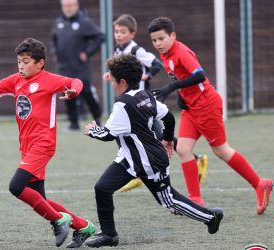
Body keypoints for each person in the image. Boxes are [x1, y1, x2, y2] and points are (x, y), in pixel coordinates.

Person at [0, 37, 96, 248]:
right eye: (19, 61)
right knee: (40, 199)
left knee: (15, 186)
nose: (21, 66)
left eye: (26, 61)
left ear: (40, 63)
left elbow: (76, 82)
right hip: (27, 146)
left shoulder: (49, 80)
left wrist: (74, 91)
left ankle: (59, 220)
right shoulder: (15, 80)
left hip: (43, 144)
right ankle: (83, 226)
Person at [83, 54, 223, 248]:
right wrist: (167, 139)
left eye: (112, 79)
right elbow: (168, 118)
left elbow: (107, 134)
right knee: (102, 188)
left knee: (168, 200)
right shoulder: (144, 95)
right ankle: (109, 234)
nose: (111, 82)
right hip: (130, 159)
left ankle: (210, 217)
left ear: (122, 82)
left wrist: (92, 130)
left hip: (149, 162)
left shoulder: (123, 105)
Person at [148, 17, 272, 213]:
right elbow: (183, 78)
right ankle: (195, 200)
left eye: (161, 38)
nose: (158, 44)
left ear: (173, 36)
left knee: (221, 150)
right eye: (154, 40)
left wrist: (172, 87)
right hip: (191, 108)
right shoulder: (165, 55)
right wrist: (181, 97)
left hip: (206, 105)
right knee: (184, 149)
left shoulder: (181, 51)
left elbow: (199, 75)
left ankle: (260, 184)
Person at [104, 14, 209, 193]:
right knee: (130, 134)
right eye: (116, 32)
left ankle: (194, 159)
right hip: (128, 101)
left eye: (122, 32)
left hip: (140, 102)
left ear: (132, 34)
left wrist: (147, 76)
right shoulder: (118, 50)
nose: (118, 35)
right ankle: (137, 171)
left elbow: (156, 65)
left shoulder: (136, 50)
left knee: (156, 136)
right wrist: (111, 75)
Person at [50, 0, 104, 130]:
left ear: (76, 6)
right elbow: (53, 40)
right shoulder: (59, 22)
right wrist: (55, 52)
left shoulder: (84, 22)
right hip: (64, 67)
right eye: (65, 6)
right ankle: (73, 123)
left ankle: (97, 119)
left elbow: (100, 37)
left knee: (87, 93)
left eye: (70, 5)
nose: (68, 8)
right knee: (67, 94)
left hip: (80, 68)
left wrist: (87, 52)